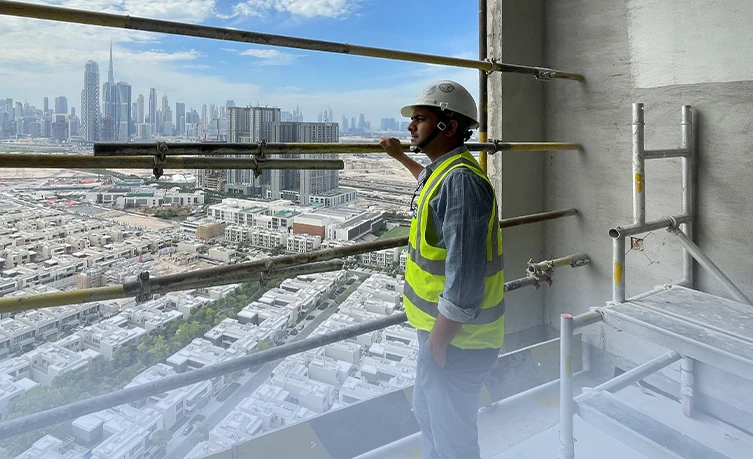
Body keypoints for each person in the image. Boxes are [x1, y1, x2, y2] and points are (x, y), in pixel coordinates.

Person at [380, 80, 505, 459]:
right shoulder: (446, 171)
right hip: (443, 335)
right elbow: (428, 180)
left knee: (453, 441)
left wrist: (437, 343)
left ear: (447, 126)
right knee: (431, 420)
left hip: (456, 340)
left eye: (419, 119)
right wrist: (401, 157)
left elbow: (465, 279)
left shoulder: (462, 183)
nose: (409, 126)